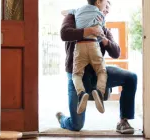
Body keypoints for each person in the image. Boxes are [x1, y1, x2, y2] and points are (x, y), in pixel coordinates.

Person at [56, 0, 137, 134]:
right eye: (105, 7)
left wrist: (103, 39)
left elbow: (116, 52)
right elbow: (65, 33)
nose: (106, 12)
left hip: (97, 73)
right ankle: (62, 119)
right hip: (77, 74)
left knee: (130, 77)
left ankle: (123, 121)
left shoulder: (103, 27)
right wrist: (89, 31)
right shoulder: (74, 16)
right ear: (97, 5)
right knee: (76, 125)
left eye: (107, 11)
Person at [62, 0, 108, 115]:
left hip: (79, 46)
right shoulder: (100, 15)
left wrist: (71, 13)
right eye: (105, 4)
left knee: (76, 74)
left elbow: (64, 12)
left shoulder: (77, 11)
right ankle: (99, 92)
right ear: (98, 2)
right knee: (102, 71)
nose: (105, 7)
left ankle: (81, 93)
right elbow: (100, 32)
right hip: (93, 45)